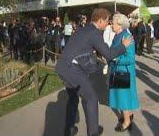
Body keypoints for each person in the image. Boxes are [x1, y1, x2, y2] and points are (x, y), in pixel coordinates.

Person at [55, 8, 132, 136]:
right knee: (91, 98)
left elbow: (81, 48)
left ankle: (69, 130)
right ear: (100, 20)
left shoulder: (85, 29)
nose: (108, 24)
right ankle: (93, 132)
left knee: (73, 99)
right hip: (72, 69)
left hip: (62, 67)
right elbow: (108, 54)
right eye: (107, 21)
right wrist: (123, 46)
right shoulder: (94, 33)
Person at [108, 13, 140, 132]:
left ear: (120, 25)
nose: (111, 24)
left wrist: (116, 59)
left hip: (123, 71)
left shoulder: (126, 37)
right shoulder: (117, 36)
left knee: (124, 97)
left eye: (113, 22)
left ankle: (127, 122)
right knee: (120, 96)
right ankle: (128, 115)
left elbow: (130, 58)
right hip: (117, 70)